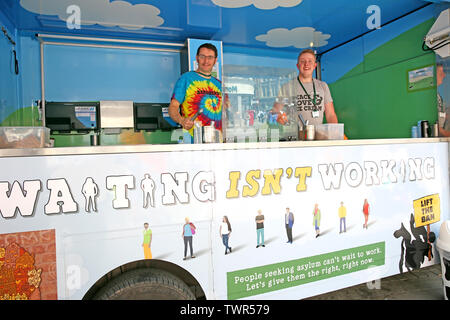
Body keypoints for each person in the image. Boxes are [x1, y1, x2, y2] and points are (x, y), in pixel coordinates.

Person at [168, 43, 223, 143]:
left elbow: (227, 112)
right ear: (197, 58)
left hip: (217, 142)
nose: (206, 61)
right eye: (202, 56)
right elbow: (173, 107)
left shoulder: (220, 84)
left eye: (210, 57)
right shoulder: (186, 78)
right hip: (192, 141)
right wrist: (181, 120)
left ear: (215, 60)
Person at [278, 49, 339, 127]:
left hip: (318, 136)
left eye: (310, 61)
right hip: (296, 136)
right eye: (302, 61)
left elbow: (330, 115)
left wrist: (334, 132)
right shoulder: (287, 87)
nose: (306, 64)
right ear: (297, 65)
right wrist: (283, 120)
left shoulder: (323, 86)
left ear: (315, 65)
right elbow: (278, 113)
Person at [436, 63, 450, 137]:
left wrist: (447, 115)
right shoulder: (430, 96)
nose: (444, 75)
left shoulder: (437, 95)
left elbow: (439, 113)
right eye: (441, 72)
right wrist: (444, 133)